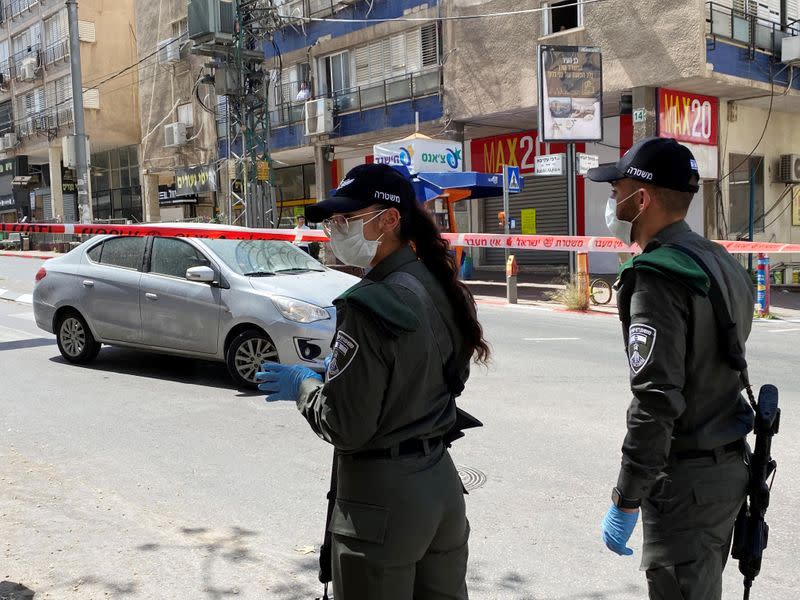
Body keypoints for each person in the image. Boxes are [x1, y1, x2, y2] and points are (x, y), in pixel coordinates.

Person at [256, 163, 489, 599]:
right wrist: (342, 373)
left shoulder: (369, 304)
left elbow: (346, 425)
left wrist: (305, 385)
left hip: (382, 501)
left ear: (390, 219)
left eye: (347, 219)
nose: (335, 229)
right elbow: (431, 371)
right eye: (333, 221)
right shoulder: (437, 284)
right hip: (439, 486)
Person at [587, 137, 755, 600]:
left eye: (615, 189)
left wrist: (626, 497)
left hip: (686, 487)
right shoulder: (723, 262)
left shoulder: (659, 276)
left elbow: (656, 400)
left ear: (641, 198)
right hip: (726, 471)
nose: (612, 200)